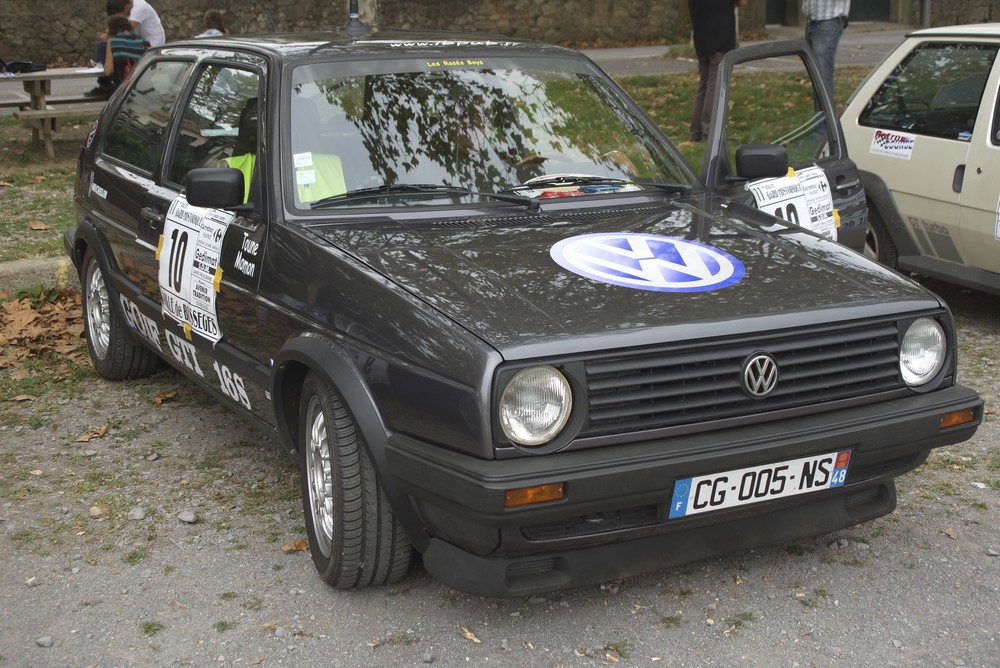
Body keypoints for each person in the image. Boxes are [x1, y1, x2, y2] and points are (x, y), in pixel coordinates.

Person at [687, 0, 741, 143]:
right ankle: (710, 131)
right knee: (715, 86)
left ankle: (697, 131)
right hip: (720, 36)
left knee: (704, 84)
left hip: (701, 36)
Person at [803, 0, 851, 102]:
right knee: (817, 77)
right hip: (813, 19)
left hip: (828, 18)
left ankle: (826, 117)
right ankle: (822, 115)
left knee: (822, 77)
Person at [102, 14, 149, 92]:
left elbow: (108, 71)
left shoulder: (112, 41)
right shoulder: (144, 42)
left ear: (112, 28)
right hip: (141, 87)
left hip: (122, 89)